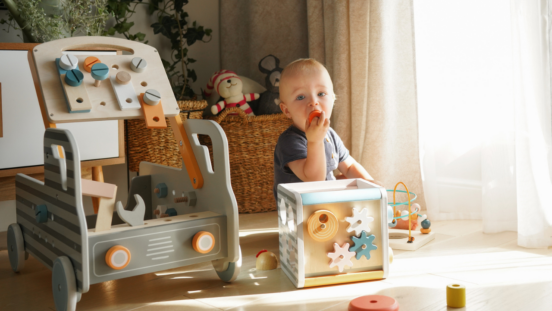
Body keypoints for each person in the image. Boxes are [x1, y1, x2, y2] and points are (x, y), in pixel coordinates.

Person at [273, 58, 379, 201]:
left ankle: (389, 213)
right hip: (302, 207)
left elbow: (349, 166)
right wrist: (315, 141)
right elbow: (314, 181)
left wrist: (371, 185)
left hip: (324, 199)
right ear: (286, 110)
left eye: (321, 94)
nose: (313, 102)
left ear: (333, 99)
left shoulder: (330, 135)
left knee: (349, 180)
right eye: (301, 97)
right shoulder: (289, 141)